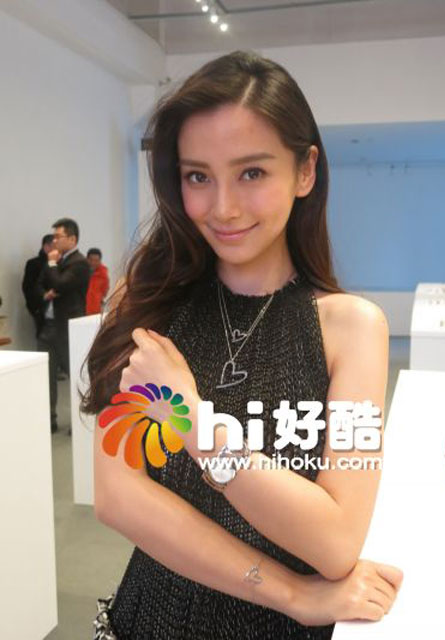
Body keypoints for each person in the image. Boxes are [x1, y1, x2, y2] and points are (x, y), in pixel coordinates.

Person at [81, 51, 403, 639]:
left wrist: (195, 423)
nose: (223, 208)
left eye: (252, 173)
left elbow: (335, 541)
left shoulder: (353, 330)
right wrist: (293, 593)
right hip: (145, 621)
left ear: (305, 171)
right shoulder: (146, 302)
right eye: (198, 177)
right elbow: (118, 498)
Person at [36, 217, 90, 433]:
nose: (54, 241)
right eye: (54, 237)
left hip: (68, 329)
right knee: (46, 376)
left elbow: (60, 284)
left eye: (58, 236)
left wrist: (51, 265)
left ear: (72, 239)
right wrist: (45, 293)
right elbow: (40, 283)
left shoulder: (80, 263)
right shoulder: (56, 260)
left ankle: (80, 423)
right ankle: (50, 419)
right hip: (47, 326)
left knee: (76, 377)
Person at [22, 234, 54, 338]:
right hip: (41, 308)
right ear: (46, 246)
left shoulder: (59, 263)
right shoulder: (34, 264)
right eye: (54, 247)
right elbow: (28, 287)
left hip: (58, 310)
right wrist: (35, 309)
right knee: (44, 340)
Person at [86, 248, 110, 314]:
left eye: (96, 260)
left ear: (100, 261)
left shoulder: (103, 275)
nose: (93, 263)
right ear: (86, 259)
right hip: (81, 309)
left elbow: (104, 292)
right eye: (91, 260)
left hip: (96, 310)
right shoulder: (81, 272)